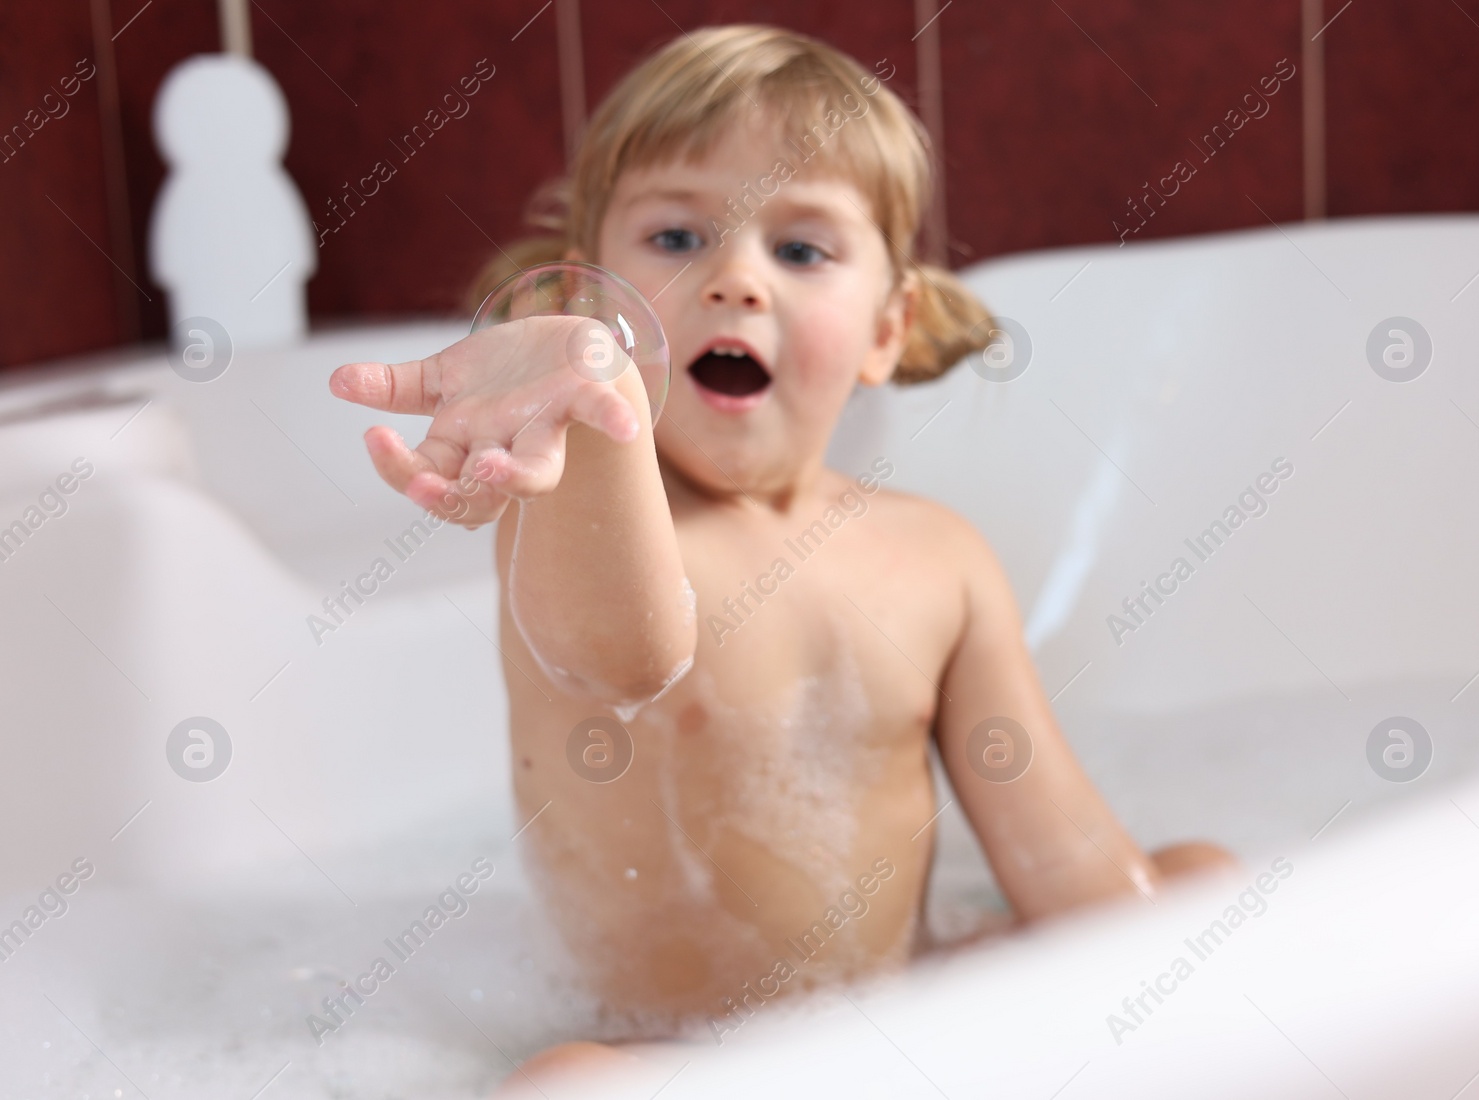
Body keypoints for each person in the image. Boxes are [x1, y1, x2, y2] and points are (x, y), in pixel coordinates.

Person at [328, 24, 1232, 1092]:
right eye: (675, 238)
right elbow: (620, 654)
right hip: (683, 1060)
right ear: (589, 298)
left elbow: (1065, 864)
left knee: (1203, 878)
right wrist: (589, 389)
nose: (734, 280)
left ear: (887, 328)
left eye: (799, 249)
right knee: (563, 1082)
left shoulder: (938, 560)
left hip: (904, 1025)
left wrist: (1156, 955)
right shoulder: (577, 499)